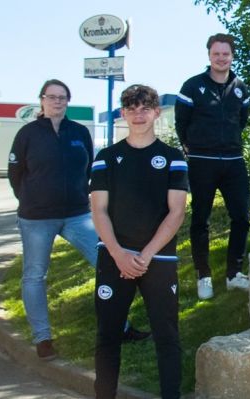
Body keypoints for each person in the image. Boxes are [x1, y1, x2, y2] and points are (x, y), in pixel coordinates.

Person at [8, 79, 147, 361]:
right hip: (36, 218)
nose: (57, 102)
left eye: (62, 98)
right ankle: (43, 338)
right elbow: (16, 173)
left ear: (67, 101)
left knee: (108, 263)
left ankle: (120, 327)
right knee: (35, 275)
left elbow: (89, 170)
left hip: (77, 214)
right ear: (42, 100)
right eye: (52, 97)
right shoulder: (27, 134)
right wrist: (28, 198)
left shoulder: (79, 132)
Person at [83, 85, 189, 399]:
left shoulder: (173, 157)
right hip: (115, 259)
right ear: (122, 114)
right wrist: (119, 254)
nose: (139, 113)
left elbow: (176, 211)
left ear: (157, 112)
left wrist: (143, 254)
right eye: (131, 107)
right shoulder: (106, 157)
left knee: (167, 335)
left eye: (146, 107)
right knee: (107, 336)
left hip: (157, 260)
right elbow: (99, 211)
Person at [174, 33, 250, 300]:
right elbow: (181, 123)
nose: (221, 58)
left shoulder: (240, 87)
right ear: (209, 55)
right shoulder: (192, 86)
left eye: (226, 54)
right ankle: (203, 274)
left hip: (233, 161)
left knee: (242, 216)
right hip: (202, 162)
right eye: (216, 53)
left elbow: (241, 120)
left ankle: (234, 275)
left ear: (232, 56)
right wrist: (192, 148)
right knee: (201, 220)